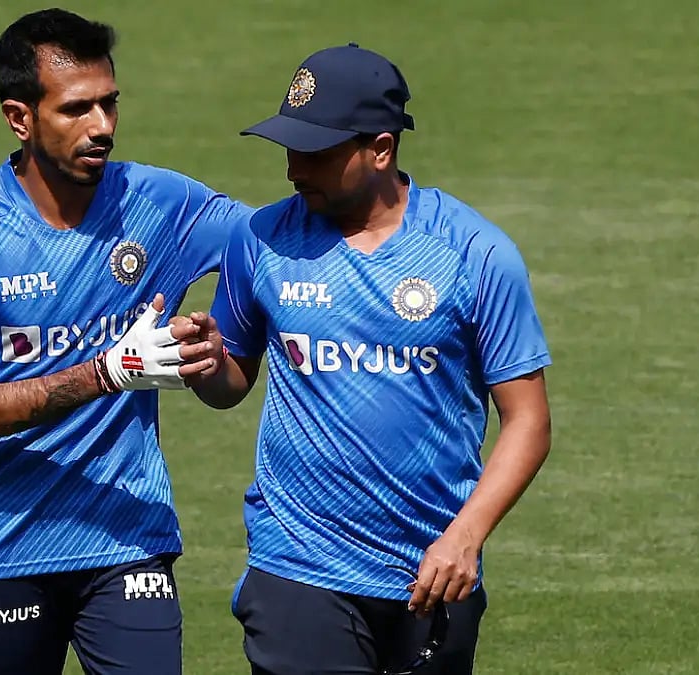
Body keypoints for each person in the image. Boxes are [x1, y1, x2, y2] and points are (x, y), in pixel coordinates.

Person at [187, 43, 553, 674]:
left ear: (381, 149)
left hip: (431, 570)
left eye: (317, 152)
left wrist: (465, 538)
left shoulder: (474, 253)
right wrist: (207, 362)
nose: (294, 169)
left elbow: (529, 421)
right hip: (296, 562)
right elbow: (231, 382)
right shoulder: (261, 239)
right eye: (289, 148)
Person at [0, 9, 250, 675]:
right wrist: (108, 370)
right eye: (76, 109)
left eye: (109, 104)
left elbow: (275, 244)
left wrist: (223, 342)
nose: (102, 127)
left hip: (129, 541)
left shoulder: (162, 203)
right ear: (20, 117)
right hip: (4, 545)